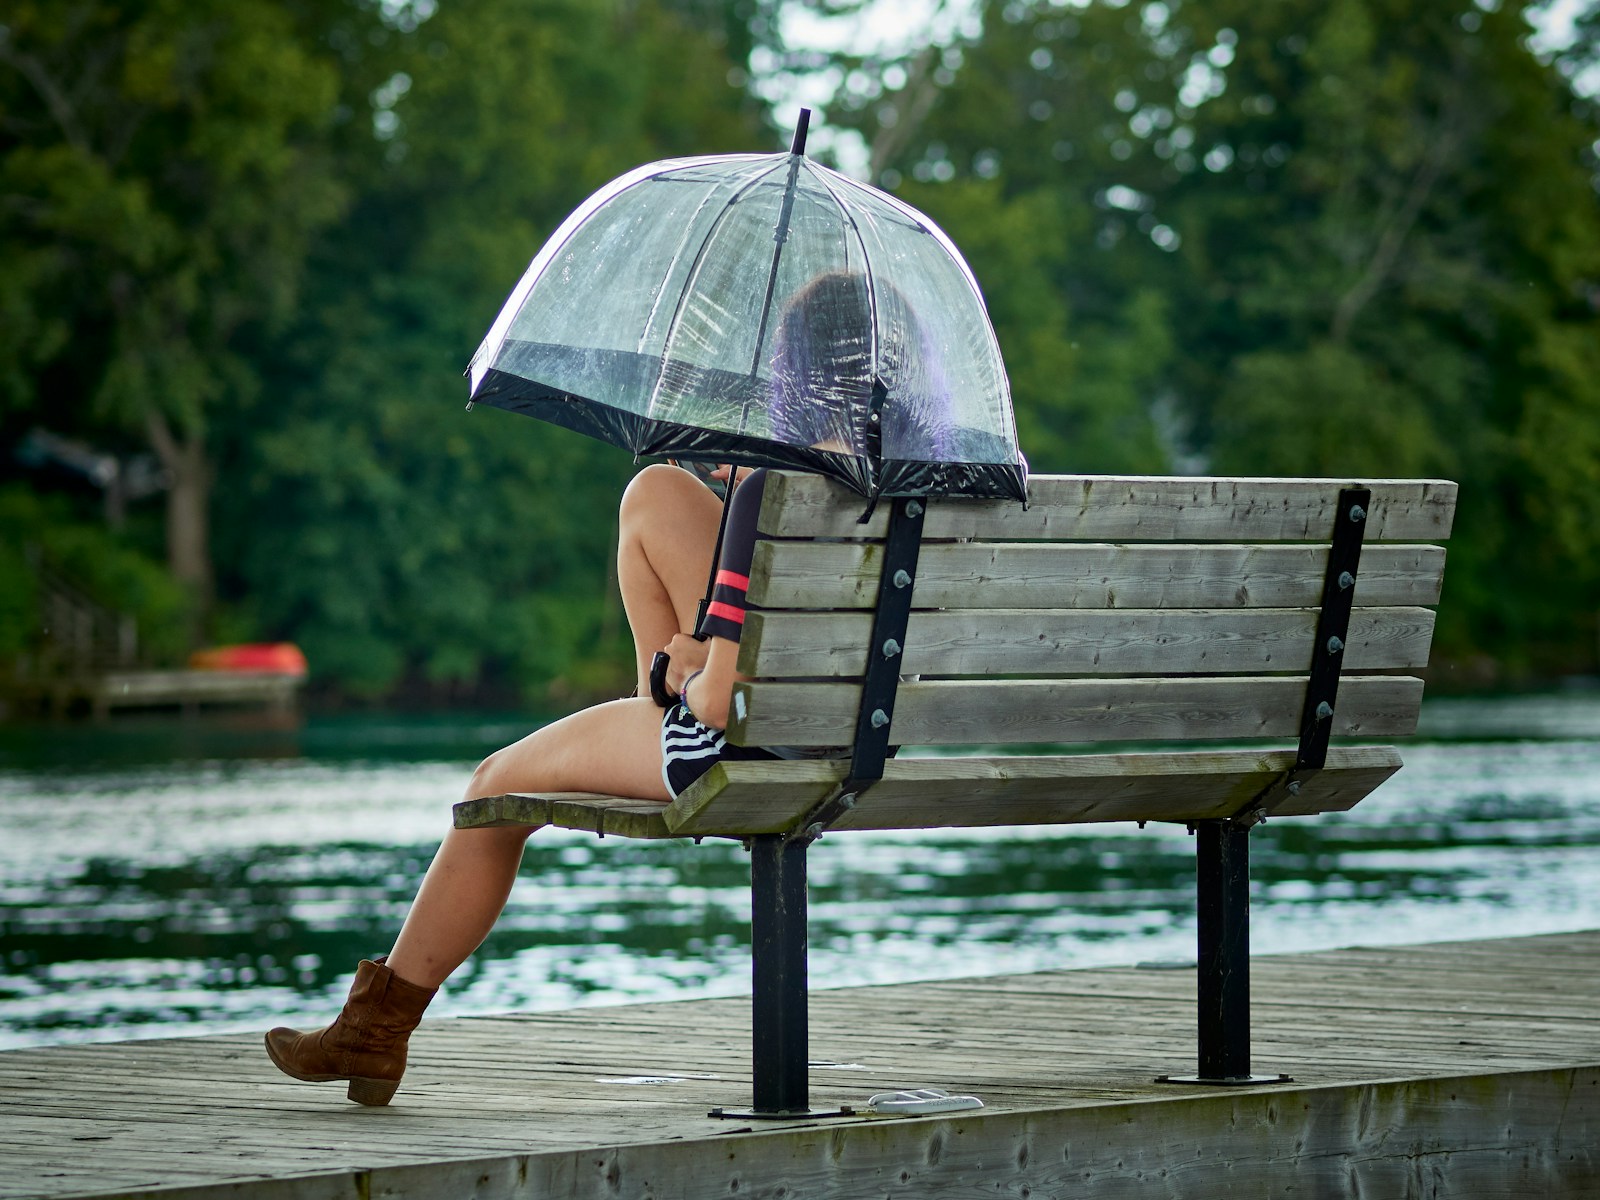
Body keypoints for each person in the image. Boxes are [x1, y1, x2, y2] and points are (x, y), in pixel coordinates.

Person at [262, 461, 774, 1105]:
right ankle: (371, 1029)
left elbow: (722, 704)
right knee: (660, 490)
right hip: (854, 738)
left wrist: (689, 672)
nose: (721, 461)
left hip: (741, 741)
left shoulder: (770, 497)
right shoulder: (886, 485)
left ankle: (372, 1032)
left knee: (492, 792)